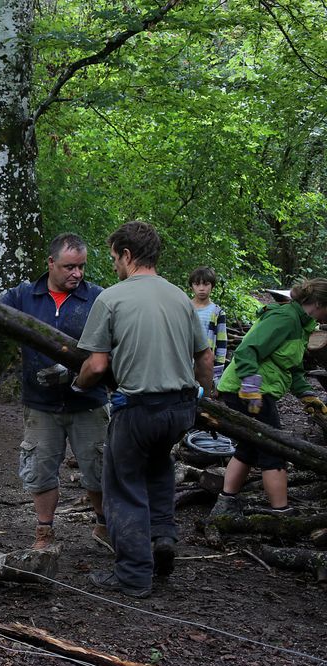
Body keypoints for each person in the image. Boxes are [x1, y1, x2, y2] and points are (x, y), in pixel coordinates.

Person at [74, 221, 215, 598]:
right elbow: (204, 356)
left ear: (127, 255)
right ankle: (163, 536)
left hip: (138, 410)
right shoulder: (180, 298)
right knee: (158, 467)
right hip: (181, 409)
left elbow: (98, 365)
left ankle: (133, 575)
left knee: (123, 486)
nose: (115, 266)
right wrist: (210, 394)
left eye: (115, 258)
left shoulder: (112, 298)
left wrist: (79, 383)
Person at [0, 233, 108, 550]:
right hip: (41, 403)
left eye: (81, 267)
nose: (77, 274)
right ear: (50, 264)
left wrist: (78, 372)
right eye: (69, 267)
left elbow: (112, 347)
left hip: (88, 401)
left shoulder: (98, 299)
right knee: (40, 468)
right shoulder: (24, 295)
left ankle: (104, 525)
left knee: (97, 468)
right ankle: (44, 531)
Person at [211, 278, 327, 517]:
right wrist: (251, 389)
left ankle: (226, 503)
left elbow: (292, 366)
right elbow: (246, 351)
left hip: (253, 390)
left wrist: (307, 396)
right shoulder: (285, 319)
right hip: (246, 391)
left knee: (251, 445)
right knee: (273, 447)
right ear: (318, 303)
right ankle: (281, 513)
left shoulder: (301, 324)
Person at [188, 267, 228, 380]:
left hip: (206, 363)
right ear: (191, 286)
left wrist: (217, 374)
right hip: (185, 363)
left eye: (206, 284)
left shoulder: (217, 312)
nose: (201, 288)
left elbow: (221, 343)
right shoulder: (185, 308)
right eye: (197, 284)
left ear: (212, 286)